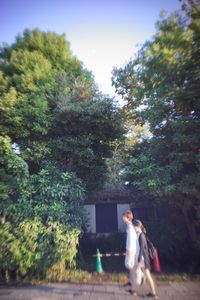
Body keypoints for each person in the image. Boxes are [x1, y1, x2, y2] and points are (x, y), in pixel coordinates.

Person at [133, 219, 158, 298]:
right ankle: (151, 291)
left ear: (137, 226)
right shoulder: (138, 234)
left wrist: (139, 259)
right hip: (142, 259)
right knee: (144, 274)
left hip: (144, 260)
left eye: (134, 227)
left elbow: (142, 249)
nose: (133, 229)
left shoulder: (141, 235)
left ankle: (153, 293)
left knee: (147, 275)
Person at [123, 210, 139, 295]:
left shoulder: (130, 227)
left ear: (127, 218)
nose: (123, 218)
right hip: (132, 250)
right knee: (130, 268)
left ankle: (133, 289)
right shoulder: (130, 226)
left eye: (124, 216)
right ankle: (131, 283)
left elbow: (130, 240)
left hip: (131, 251)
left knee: (131, 269)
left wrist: (128, 250)